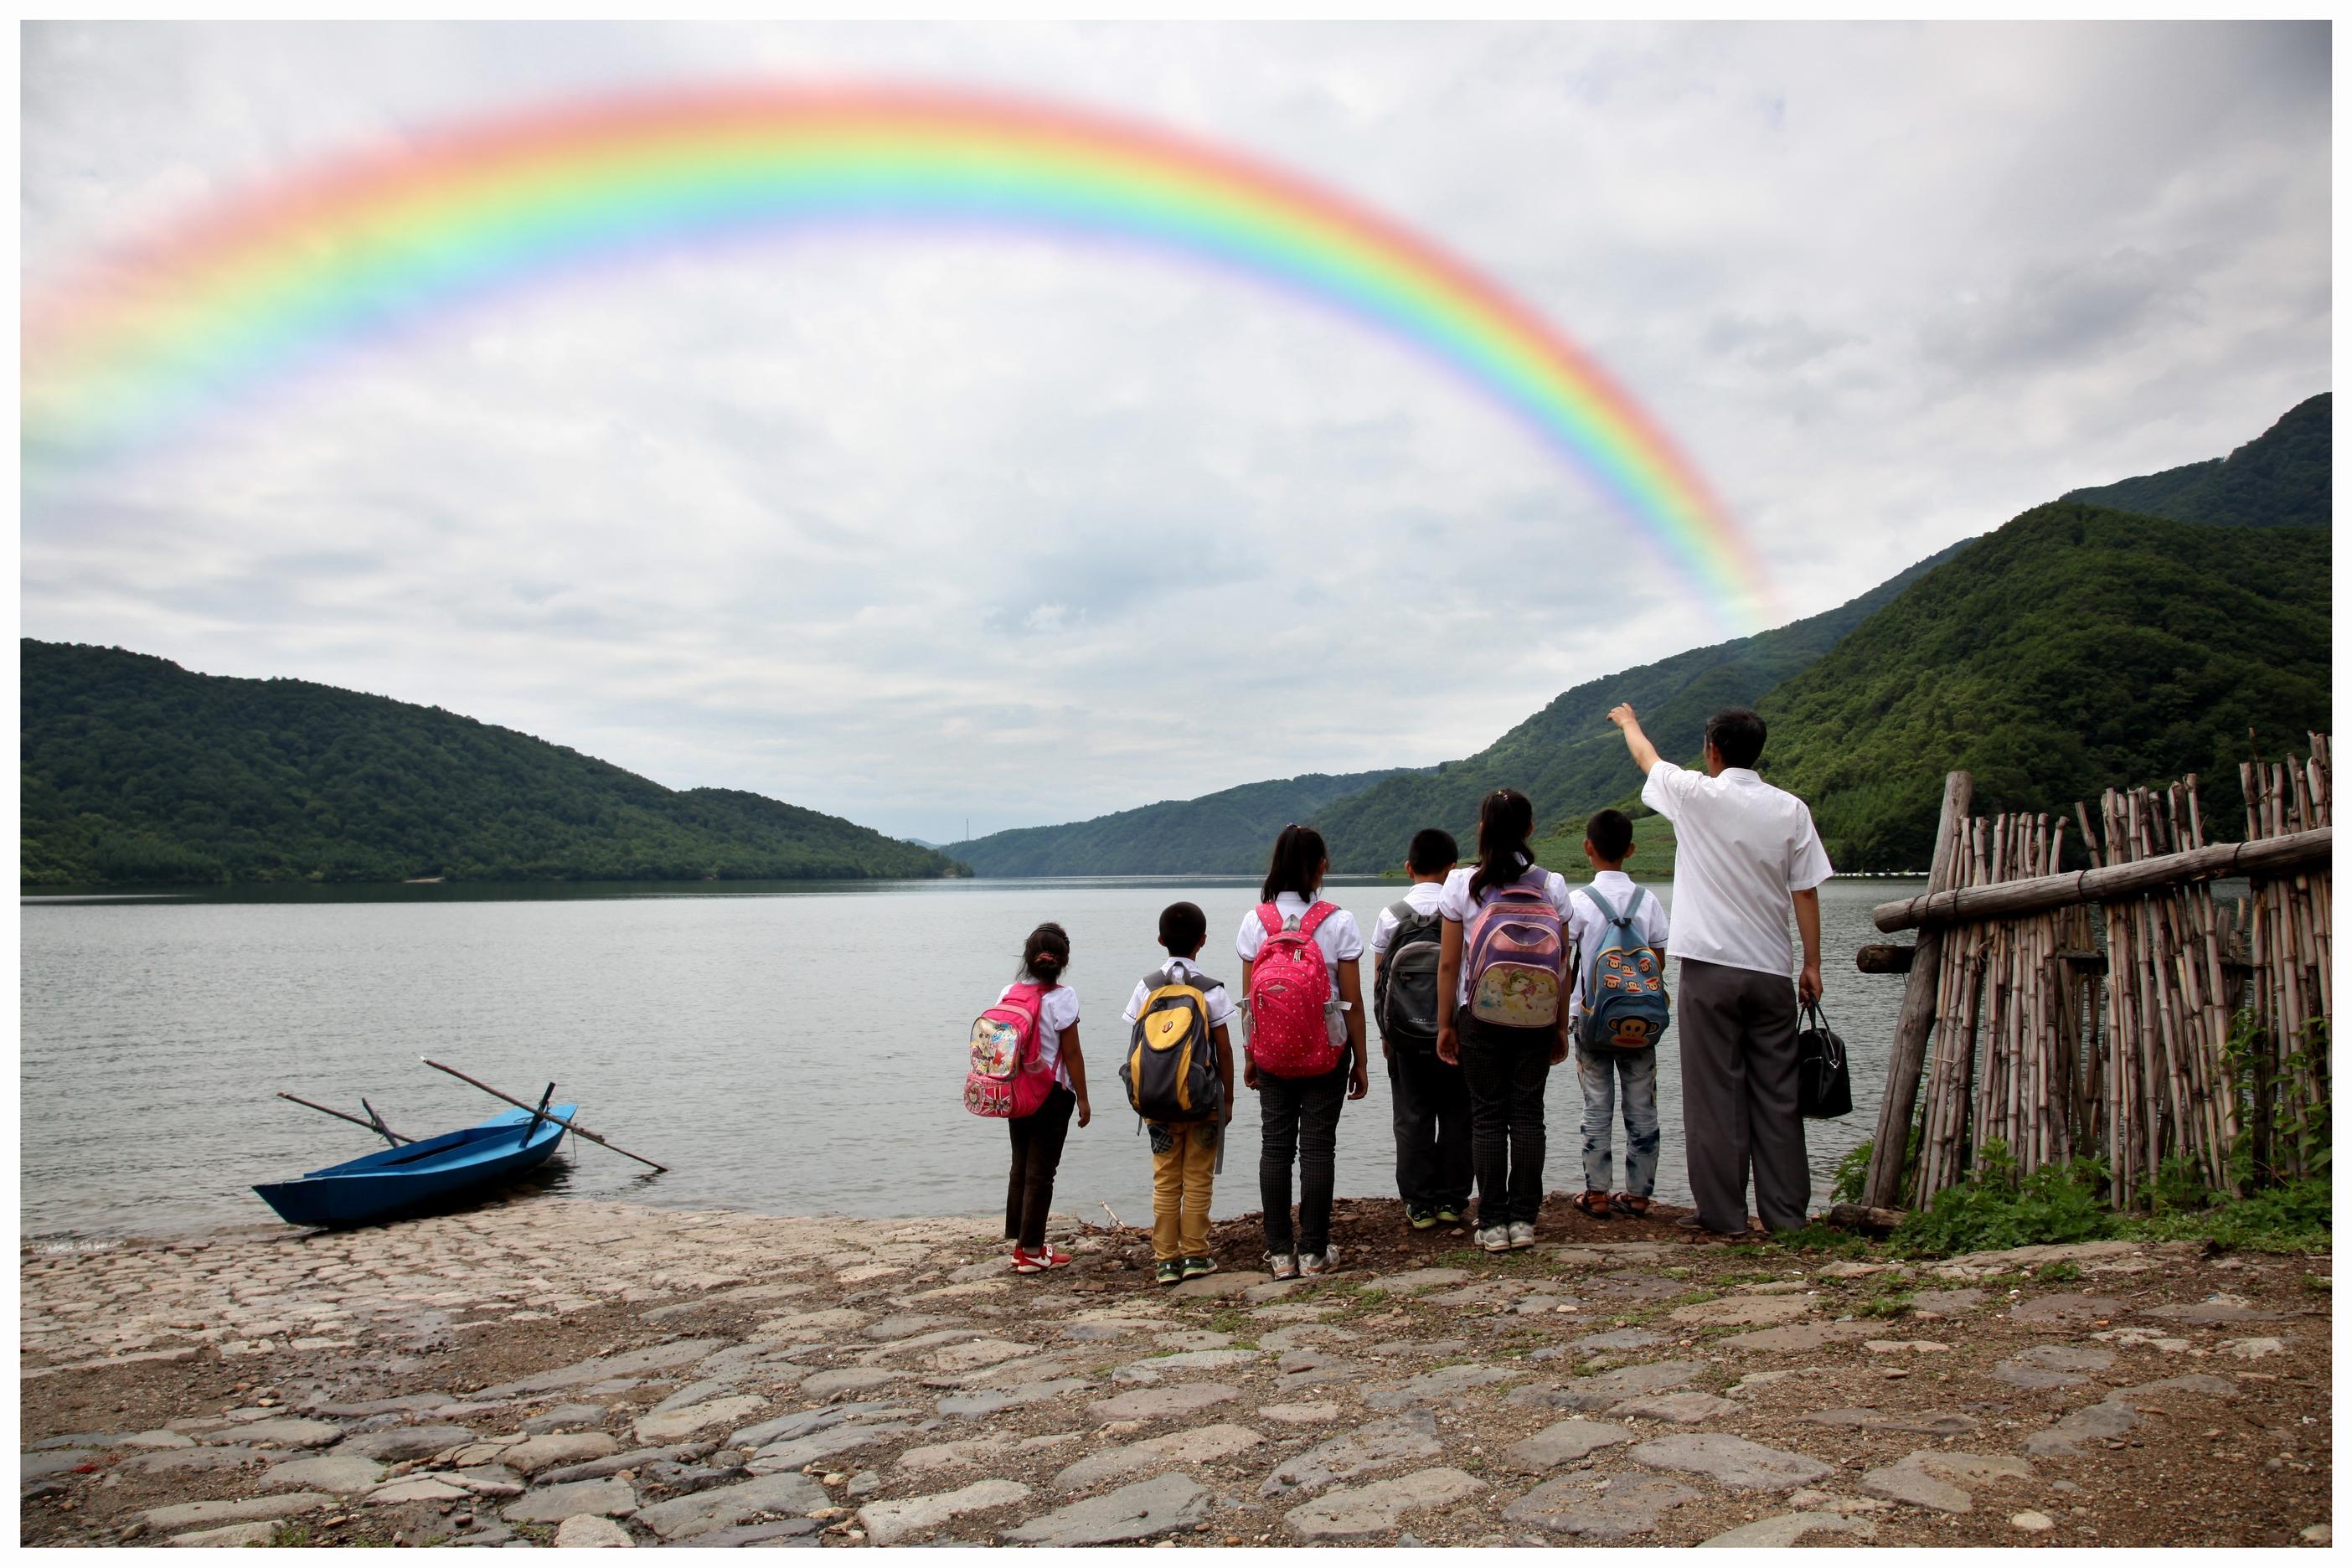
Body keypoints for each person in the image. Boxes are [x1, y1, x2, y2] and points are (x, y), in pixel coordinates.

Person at [1608, 703, 1831, 1235]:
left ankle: (1723, 1215)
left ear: (1712, 749)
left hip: (1709, 969)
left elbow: (1647, 758)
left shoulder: (1694, 795)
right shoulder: (1790, 810)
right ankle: (1785, 1217)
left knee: (1714, 1095)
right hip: (1772, 970)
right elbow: (1805, 891)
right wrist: (1813, 965)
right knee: (1778, 1094)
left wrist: (1629, 722)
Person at [1434, 789, 1576, 1254]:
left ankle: (1492, 1222)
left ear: (1482, 829)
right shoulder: (1551, 884)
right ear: (1530, 829)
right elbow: (1561, 964)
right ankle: (1524, 1221)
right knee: (1528, 1115)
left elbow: (1449, 965)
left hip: (1479, 1014)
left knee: (1488, 1115)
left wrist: (1445, 1025)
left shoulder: (1462, 885)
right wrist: (1559, 1024)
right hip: (1536, 1015)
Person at [1236, 824, 1369, 1279]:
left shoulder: (1257, 921)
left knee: (1274, 1147)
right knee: (1318, 1148)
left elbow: (1249, 1002)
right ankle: (1313, 1252)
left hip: (1271, 1051)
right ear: (1321, 867)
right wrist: (1362, 1061)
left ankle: (1279, 1253)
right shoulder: (1340, 921)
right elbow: (1350, 1000)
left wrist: (1250, 1054)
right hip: (1327, 1052)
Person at [1121, 901, 1238, 1286]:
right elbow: (1224, 1049)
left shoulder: (1146, 987)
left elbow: (1138, 1046)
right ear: (1202, 941)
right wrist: (1230, 1099)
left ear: (1160, 940)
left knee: (1166, 1178)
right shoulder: (1212, 990)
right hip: (1203, 1102)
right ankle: (1195, 1256)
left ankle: (1166, 1261)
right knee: (1199, 1177)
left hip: (1157, 1101)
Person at [1565, 808, 1671, 1220]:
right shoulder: (1648, 901)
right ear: (1630, 849)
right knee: (1642, 1105)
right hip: (1641, 1023)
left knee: (1596, 1105)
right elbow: (1656, 960)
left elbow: (1565, 964)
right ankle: (1640, 1195)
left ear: (1587, 848)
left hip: (1590, 1019)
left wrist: (1564, 1016)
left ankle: (1596, 1195)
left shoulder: (1578, 903)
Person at [1370, 827, 1470, 1229]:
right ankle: (1452, 1200)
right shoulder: (1461, 911)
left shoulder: (1390, 915)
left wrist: (1385, 1034)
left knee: (1411, 1117)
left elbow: (1380, 980)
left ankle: (1419, 1204)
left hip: (1405, 1036)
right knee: (1459, 1115)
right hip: (1457, 1032)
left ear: (1409, 867)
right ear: (1453, 868)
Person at [1000, 921, 1091, 1272]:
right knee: (1042, 1173)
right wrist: (1083, 1098)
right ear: (1063, 960)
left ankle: (1020, 1245)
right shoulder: (1063, 997)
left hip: (1016, 1091)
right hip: (1052, 1094)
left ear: (1028, 957)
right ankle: (1033, 1251)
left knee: (1020, 1166)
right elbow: (1072, 1054)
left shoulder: (1007, 992)